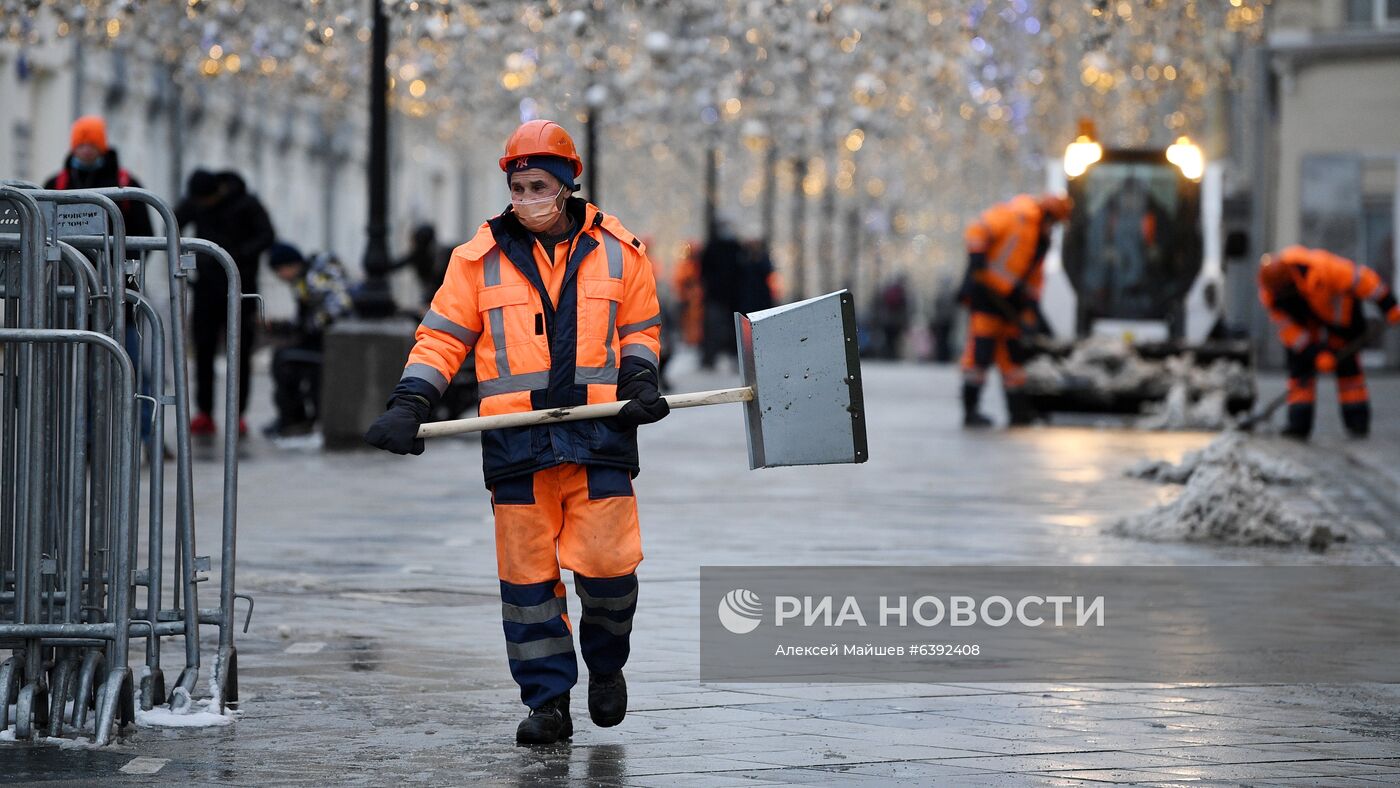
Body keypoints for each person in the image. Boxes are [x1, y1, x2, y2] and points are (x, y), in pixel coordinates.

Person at [364, 120, 667, 746]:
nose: (527, 197)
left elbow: (639, 327)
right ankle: (548, 701)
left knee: (611, 572)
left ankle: (607, 668)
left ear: (566, 185)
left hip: (599, 439)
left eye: (539, 185)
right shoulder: (476, 261)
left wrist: (639, 378)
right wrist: (410, 400)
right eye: (518, 185)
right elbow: (444, 338)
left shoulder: (620, 250)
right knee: (529, 584)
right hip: (517, 446)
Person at [45, 115, 157, 438]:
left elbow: (144, 238)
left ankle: (143, 434)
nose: (85, 149)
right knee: (77, 369)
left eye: (92, 143)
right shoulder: (57, 184)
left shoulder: (127, 184)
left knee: (131, 365)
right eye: (80, 143)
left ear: (102, 146)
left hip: (119, 295)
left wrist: (125, 276)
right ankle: (85, 436)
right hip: (69, 292)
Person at [1258, 246, 1400, 439]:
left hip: (1342, 321)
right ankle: (1298, 423)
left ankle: (1357, 422)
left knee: (1349, 373)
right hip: (1308, 326)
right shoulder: (1271, 295)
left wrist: (1388, 305)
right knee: (1301, 372)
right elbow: (1290, 331)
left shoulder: (1322, 269)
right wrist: (1315, 354)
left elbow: (1364, 280)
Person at [176, 169, 275, 438]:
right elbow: (172, 222)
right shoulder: (196, 201)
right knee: (203, 350)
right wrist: (185, 258)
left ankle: (238, 414)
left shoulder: (247, 203)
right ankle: (205, 412)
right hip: (206, 288)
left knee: (240, 351)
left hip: (240, 288)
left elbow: (267, 236)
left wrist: (239, 255)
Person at [959, 192, 1071, 427]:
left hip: (1010, 304)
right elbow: (977, 230)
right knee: (980, 353)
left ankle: (1018, 413)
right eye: (1053, 222)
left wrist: (1030, 310)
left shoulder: (1041, 241)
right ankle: (971, 411)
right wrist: (977, 259)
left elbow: (1034, 278)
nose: (1053, 228)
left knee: (1013, 361)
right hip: (987, 297)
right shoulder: (1018, 216)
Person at [264, 243, 353, 437]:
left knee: (285, 361)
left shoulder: (314, 278)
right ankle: (293, 417)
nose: (280, 276)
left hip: (330, 343)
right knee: (284, 358)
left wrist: (309, 327)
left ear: (291, 264)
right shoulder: (306, 278)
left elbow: (339, 306)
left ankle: (294, 419)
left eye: (280, 270)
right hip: (324, 340)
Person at [698, 220, 742, 369]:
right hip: (716, 296)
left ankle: (734, 358)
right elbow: (703, 270)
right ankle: (709, 359)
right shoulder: (714, 247)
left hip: (731, 297)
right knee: (713, 328)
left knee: (732, 329)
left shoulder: (735, 247)